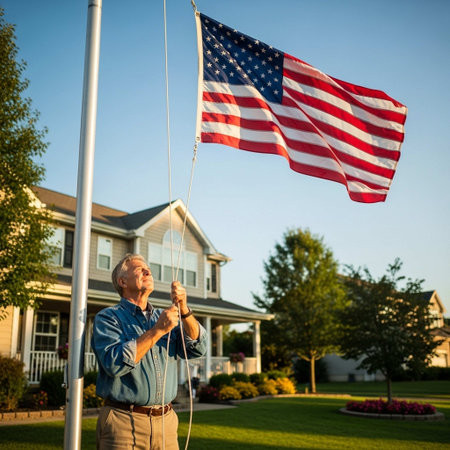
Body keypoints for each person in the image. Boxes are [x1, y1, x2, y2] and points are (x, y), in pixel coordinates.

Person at [91, 253, 207, 450]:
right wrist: (157, 331)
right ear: (122, 281)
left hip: (166, 423)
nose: (147, 271)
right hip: (123, 423)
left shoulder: (163, 316)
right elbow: (114, 363)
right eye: (139, 269)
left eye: (148, 269)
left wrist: (184, 310)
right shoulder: (109, 318)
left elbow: (198, 347)